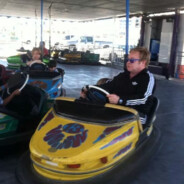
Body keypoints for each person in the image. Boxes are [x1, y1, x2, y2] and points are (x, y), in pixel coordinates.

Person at [81, 47, 156, 125]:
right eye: (127, 59)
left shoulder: (147, 78)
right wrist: (89, 90)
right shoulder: (123, 76)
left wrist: (120, 100)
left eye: (132, 60)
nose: (128, 62)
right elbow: (108, 86)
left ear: (143, 62)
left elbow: (144, 99)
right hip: (118, 109)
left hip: (136, 114)